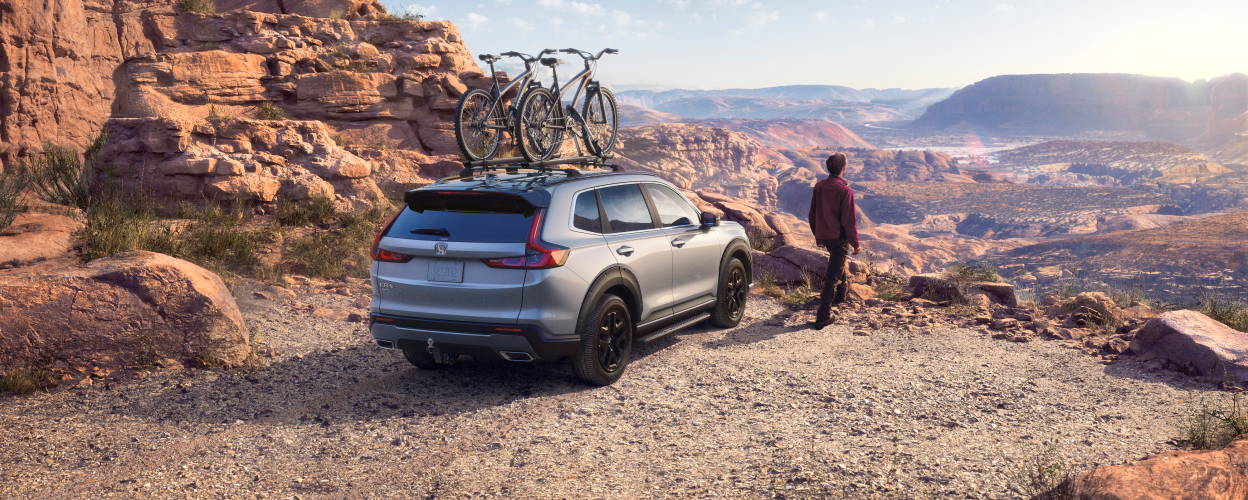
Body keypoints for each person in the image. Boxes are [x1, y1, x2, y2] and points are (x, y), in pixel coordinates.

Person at [807, 152, 861, 330]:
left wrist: (818, 236)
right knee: (832, 276)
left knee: (838, 264)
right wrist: (856, 244)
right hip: (839, 238)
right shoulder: (845, 191)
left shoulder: (819, 186)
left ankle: (840, 296)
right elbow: (849, 221)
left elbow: (813, 213)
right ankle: (823, 316)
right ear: (844, 168)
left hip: (826, 237)